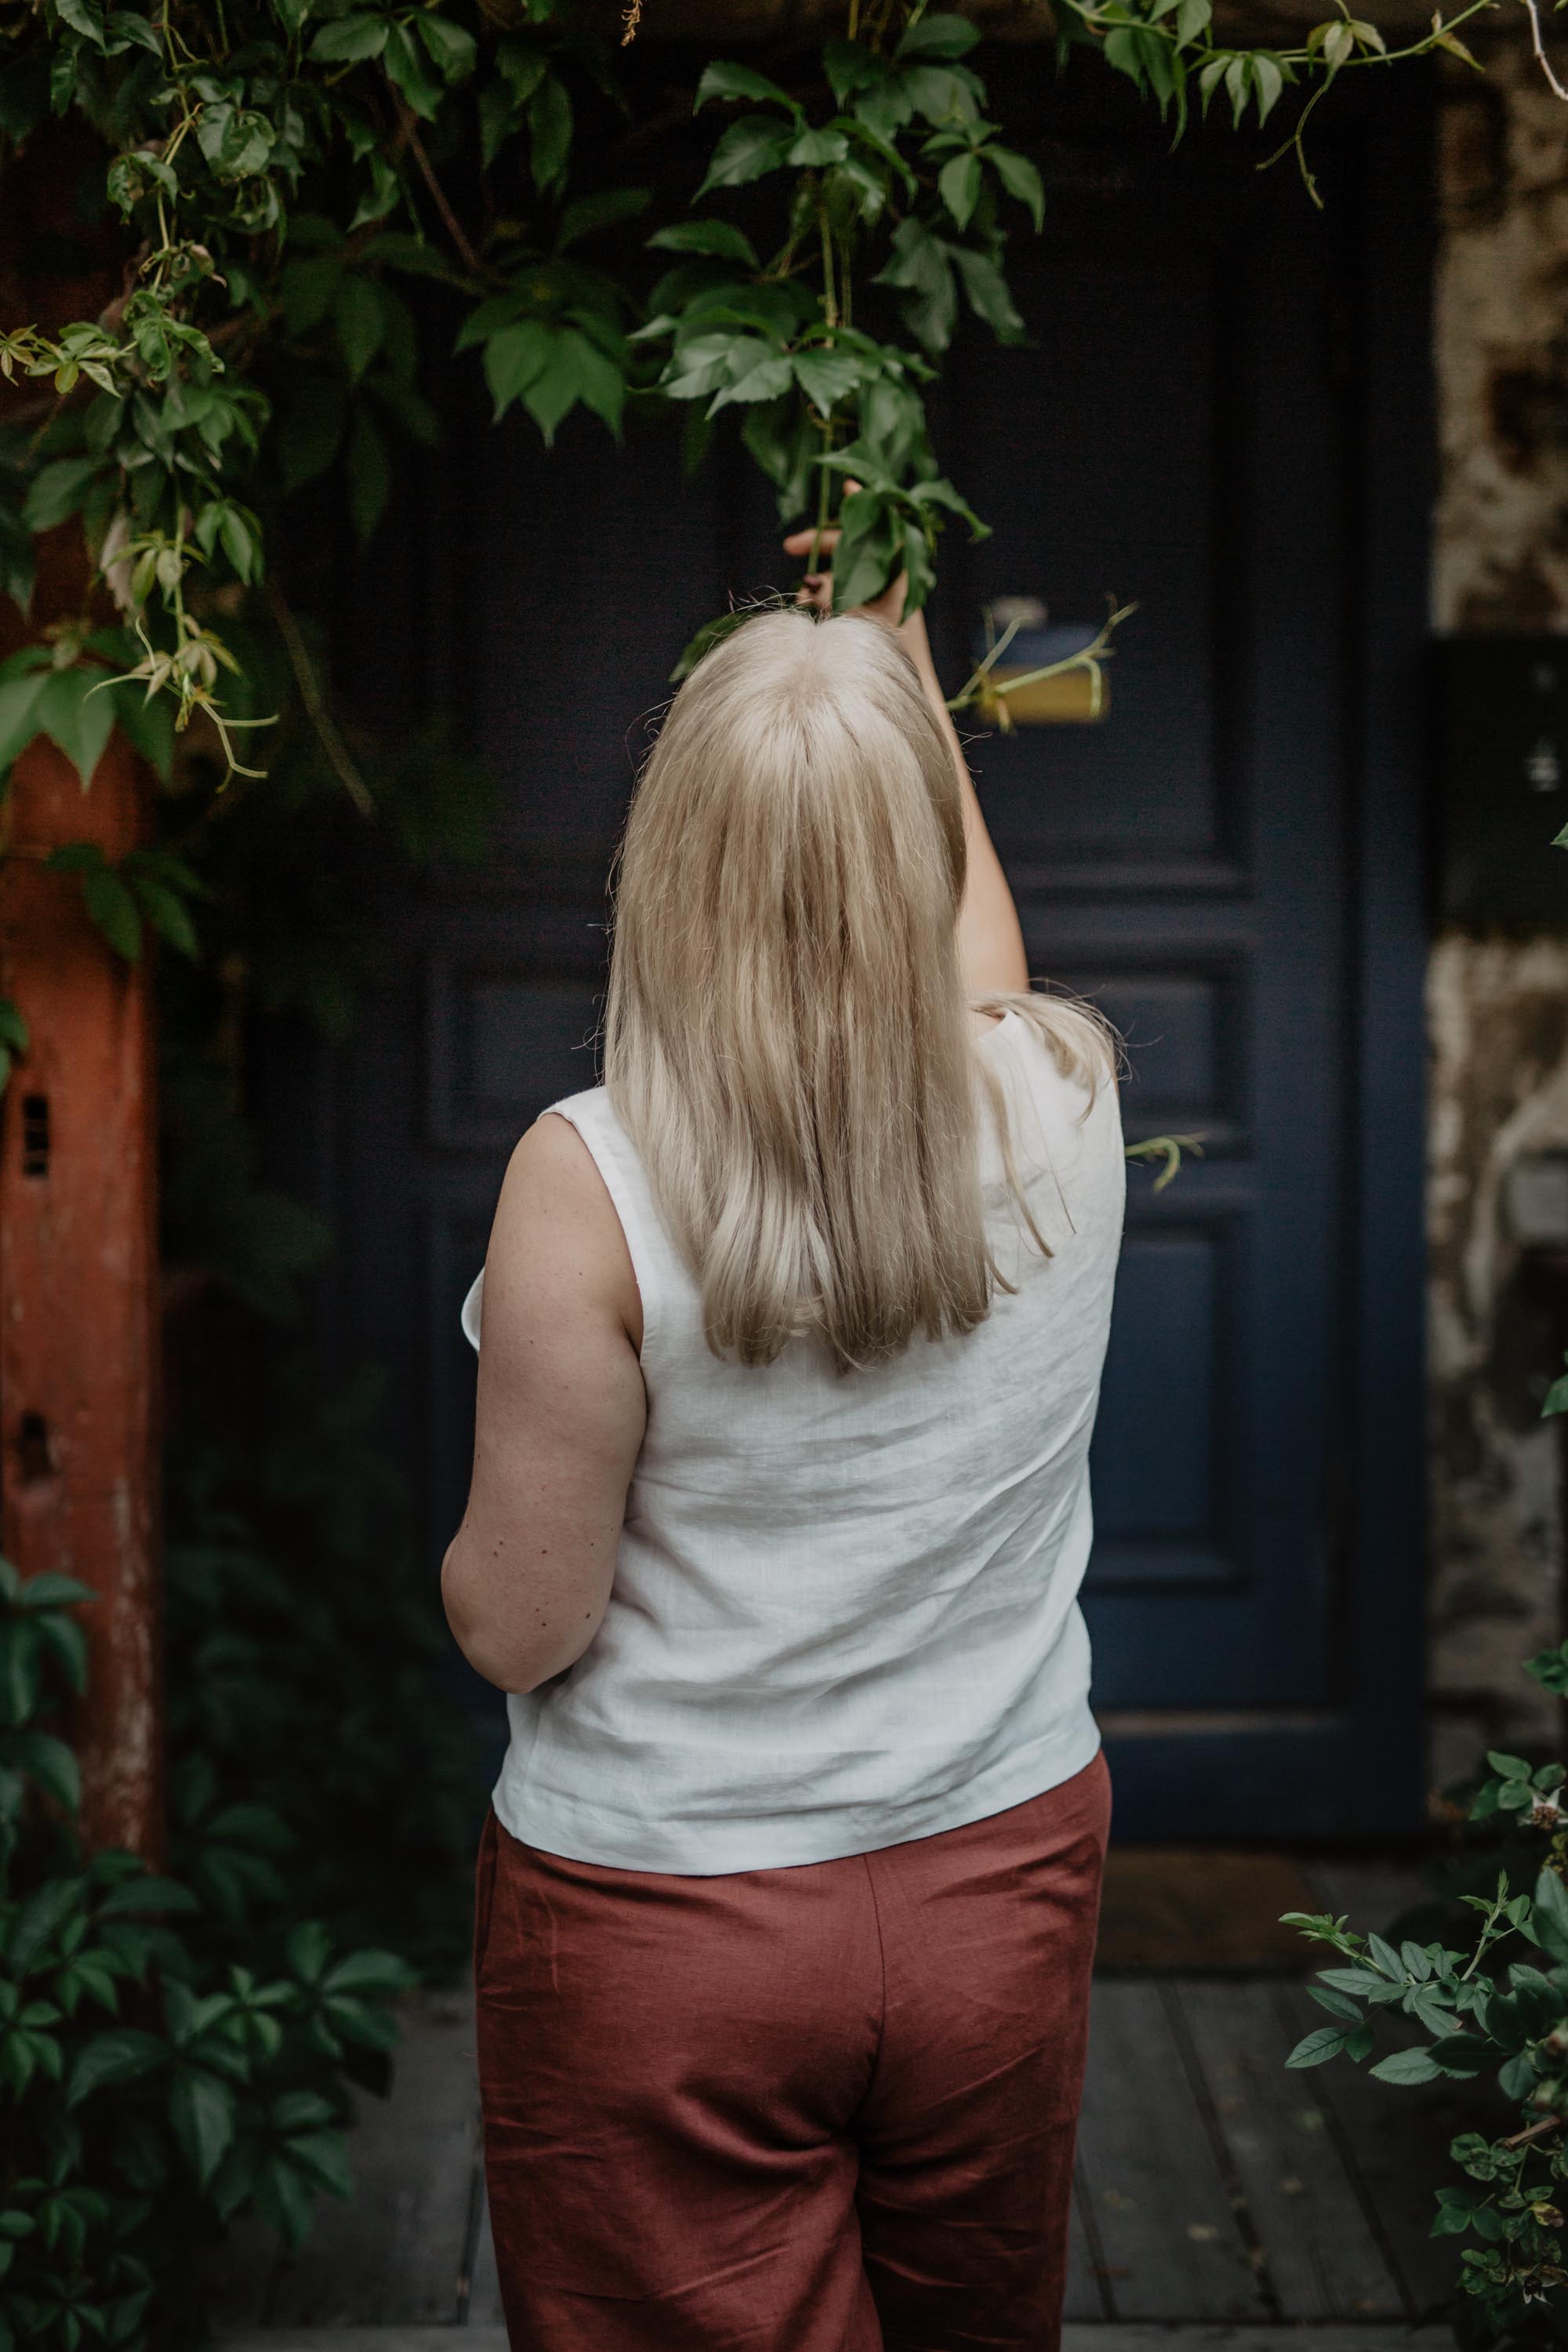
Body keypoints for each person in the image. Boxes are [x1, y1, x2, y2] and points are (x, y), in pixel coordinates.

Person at [442, 510, 1126, 2352]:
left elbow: (521, 1623)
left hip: (673, 1921)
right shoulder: (1058, 1093)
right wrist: (894, 653)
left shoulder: (589, 1180)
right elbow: (977, 962)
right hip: (998, 1872)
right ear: (912, 839)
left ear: (672, 863)